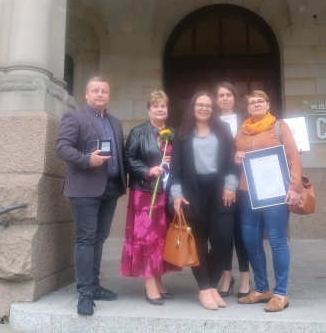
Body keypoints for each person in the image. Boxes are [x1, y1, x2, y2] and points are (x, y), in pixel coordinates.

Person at [56, 76, 126, 316]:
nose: (100, 94)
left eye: (104, 91)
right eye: (95, 90)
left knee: (99, 238)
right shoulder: (74, 117)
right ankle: (85, 294)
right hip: (84, 188)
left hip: (111, 188)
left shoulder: (115, 122)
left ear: (109, 95)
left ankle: (94, 286)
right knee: (86, 238)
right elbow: (62, 148)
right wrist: (87, 160)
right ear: (86, 94)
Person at [170, 91, 239, 310]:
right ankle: (205, 289)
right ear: (193, 107)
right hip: (193, 192)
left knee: (223, 238)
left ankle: (211, 285)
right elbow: (176, 169)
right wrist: (176, 195)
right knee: (197, 241)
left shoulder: (223, 130)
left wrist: (230, 186)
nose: (204, 108)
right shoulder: (181, 133)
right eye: (199, 104)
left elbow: (232, 161)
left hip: (221, 190)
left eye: (208, 105)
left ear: (213, 109)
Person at [235, 90, 302, 312]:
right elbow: (234, 158)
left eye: (260, 101)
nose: (256, 104)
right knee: (250, 240)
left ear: (268, 104)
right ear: (247, 108)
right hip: (248, 193)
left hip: (275, 192)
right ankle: (262, 289)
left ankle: (281, 293)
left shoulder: (279, 127)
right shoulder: (242, 132)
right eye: (252, 102)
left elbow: (293, 157)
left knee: (276, 240)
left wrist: (295, 187)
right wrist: (235, 158)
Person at [120, 90, 180, 306]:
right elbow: (127, 158)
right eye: (155, 106)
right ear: (149, 110)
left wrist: (173, 162)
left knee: (160, 238)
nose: (160, 109)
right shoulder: (138, 132)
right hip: (145, 193)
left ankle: (158, 279)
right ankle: (149, 282)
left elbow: (181, 161)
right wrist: (148, 170)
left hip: (166, 192)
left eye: (163, 106)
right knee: (147, 238)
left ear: (167, 110)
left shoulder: (173, 133)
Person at [214, 82, 250, 299]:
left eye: (228, 94)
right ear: (216, 100)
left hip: (245, 182)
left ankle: (245, 277)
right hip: (220, 183)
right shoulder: (211, 121)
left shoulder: (247, 120)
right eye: (221, 95)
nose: (225, 98)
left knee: (242, 231)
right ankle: (226, 277)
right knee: (224, 231)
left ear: (234, 98)